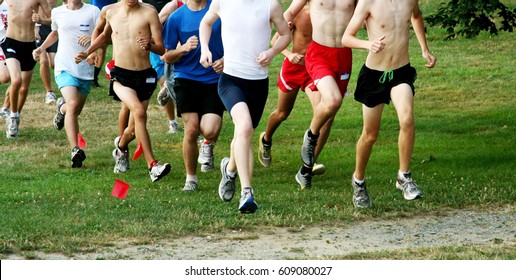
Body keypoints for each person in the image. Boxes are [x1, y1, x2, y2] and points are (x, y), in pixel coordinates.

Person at [341, 0, 436, 208]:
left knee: (408, 118)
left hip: (401, 72)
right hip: (374, 75)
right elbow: (346, 37)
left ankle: (404, 176)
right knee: (370, 134)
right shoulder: (368, 2)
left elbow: (416, 17)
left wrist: (424, 49)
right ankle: (358, 181)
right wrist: (368, 44)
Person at [199, 0, 291, 213]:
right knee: (245, 127)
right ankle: (247, 193)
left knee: (244, 133)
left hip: (258, 83)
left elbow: (286, 34)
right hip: (231, 79)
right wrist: (204, 49)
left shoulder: (270, 5)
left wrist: (272, 52)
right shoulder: (223, 2)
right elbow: (206, 23)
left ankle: (229, 170)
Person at [76, 0, 171, 182]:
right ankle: (153, 166)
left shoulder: (149, 12)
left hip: (145, 75)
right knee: (139, 111)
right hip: (120, 75)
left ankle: (120, 146)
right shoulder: (110, 11)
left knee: (134, 130)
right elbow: (104, 36)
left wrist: (150, 46)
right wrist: (88, 52)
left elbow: (161, 47)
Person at [284, 0, 356, 190]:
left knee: (329, 117)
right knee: (333, 101)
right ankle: (311, 135)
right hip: (318, 54)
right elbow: (289, 13)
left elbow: (368, 15)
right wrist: (285, 25)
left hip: (342, 56)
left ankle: (305, 171)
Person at [162, 0, 225, 192]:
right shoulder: (176, 18)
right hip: (186, 78)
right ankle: (191, 178)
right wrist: (183, 48)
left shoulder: (219, 9)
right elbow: (166, 56)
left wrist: (224, 60)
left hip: (214, 78)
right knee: (191, 130)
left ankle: (208, 145)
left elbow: (236, 39)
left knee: (210, 130)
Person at [258, 4, 326, 176]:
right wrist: (289, 55)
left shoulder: (327, 12)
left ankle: (310, 160)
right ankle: (266, 139)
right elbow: (275, 39)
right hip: (294, 68)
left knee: (322, 112)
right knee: (282, 113)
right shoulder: (297, 12)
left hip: (315, 70)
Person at [33, 0, 100, 168]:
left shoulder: (92, 11)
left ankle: (61, 109)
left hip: (85, 69)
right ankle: (75, 150)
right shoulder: (58, 12)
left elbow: (104, 36)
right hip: (64, 66)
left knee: (74, 110)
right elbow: (55, 33)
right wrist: (41, 48)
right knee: (73, 103)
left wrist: (92, 39)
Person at [2, 0, 51, 138]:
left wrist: (41, 20)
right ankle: (12, 116)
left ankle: (17, 116)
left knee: (24, 88)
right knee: (16, 81)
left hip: (29, 45)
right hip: (10, 42)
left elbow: (53, 19)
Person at [33, 0, 59, 105]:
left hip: (52, 30)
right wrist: (34, 28)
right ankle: (49, 92)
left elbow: (54, 19)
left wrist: (41, 20)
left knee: (54, 64)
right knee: (43, 61)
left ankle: (67, 86)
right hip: (38, 32)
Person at [89, 0, 117, 87]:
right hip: (98, 13)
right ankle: (94, 78)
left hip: (112, 13)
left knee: (104, 47)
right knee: (102, 47)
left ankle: (94, 78)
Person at [0, 0, 10, 119]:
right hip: (1, 46)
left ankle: (5, 108)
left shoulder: (10, 4)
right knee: (5, 77)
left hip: (12, 44)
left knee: (18, 79)